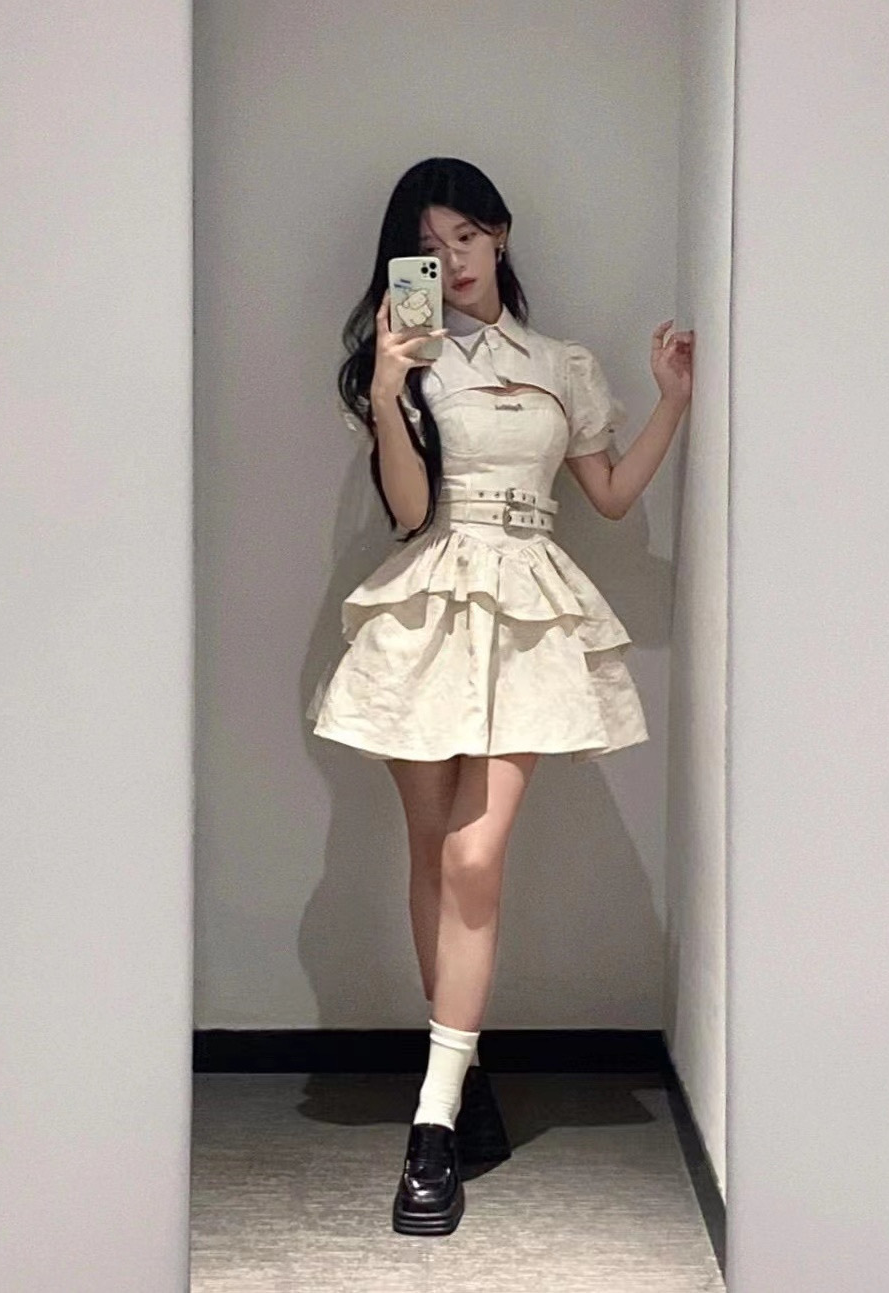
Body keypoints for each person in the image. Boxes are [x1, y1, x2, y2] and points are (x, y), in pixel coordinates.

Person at [308, 157, 694, 1236]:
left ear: (501, 235)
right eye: (431, 247)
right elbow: (407, 509)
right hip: (429, 600)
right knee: (432, 855)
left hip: (526, 607)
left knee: (475, 859)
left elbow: (608, 496)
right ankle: (461, 1070)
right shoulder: (404, 361)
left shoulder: (562, 365)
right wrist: (388, 392)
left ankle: (430, 1125)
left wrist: (672, 403)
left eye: (468, 237)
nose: (455, 260)